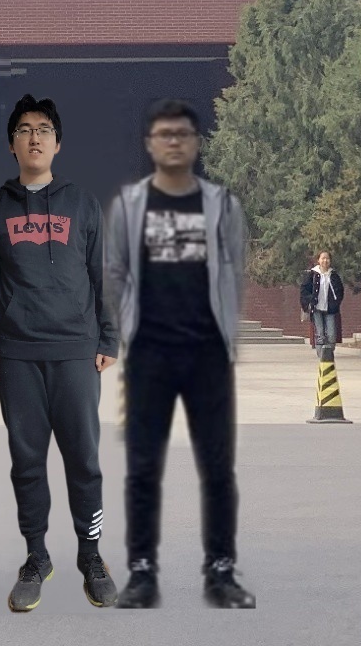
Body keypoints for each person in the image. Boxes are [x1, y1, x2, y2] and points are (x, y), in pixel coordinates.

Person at [104, 99, 256, 610]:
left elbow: (234, 268)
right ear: (150, 144)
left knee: (218, 468)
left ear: (196, 142)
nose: (174, 141)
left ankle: (221, 572)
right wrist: (131, 327)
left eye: (183, 133)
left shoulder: (221, 205)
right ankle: (142, 573)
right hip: (149, 355)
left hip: (208, 355)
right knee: (143, 469)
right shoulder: (130, 206)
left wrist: (225, 330)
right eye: (164, 133)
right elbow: (115, 272)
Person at [0, 93, 119, 614]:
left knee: (84, 459)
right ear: (11, 145)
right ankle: (36, 556)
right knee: (28, 461)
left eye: (43, 130)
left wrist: (108, 337)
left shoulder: (82, 204)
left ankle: (91, 555)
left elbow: (102, 274)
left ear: (58, 143)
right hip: (16, 354)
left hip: (75, 350)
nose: (34, 137)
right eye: (24, 130)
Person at [300, 251, 344, 352]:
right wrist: (309, 302)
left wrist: (336, 302)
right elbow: (304, 290)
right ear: (318, 260)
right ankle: (322, 357)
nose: (325, 260)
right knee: (320, 335)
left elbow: (340, 291)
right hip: (316, 308)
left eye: (327, 258)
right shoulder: (312, 274)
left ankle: (329, 354)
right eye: (323, 258)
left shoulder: (334, 275)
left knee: (331, 335)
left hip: (330, 309)